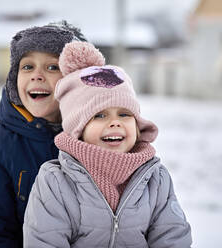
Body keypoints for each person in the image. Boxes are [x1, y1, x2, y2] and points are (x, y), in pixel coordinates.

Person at [23, 41, 192, 247]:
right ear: (78, 129)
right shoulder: (55, 182)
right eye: (100, 115)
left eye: (124, 114)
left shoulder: (156, 179)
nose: (115, 122)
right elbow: (45, 241)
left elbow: (172, 238)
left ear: (137, 125)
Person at [0, 21, 87, 247]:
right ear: (14, 80)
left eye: (52, 67)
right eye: (27, 67)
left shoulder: (96, 138)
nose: (37, 76)